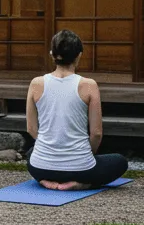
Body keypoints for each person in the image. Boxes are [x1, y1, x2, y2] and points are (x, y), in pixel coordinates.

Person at [26, 30, 127, 190]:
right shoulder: (89, 85)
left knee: (32, 153)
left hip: (40, 168)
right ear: (79, 55)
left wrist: (51, 145)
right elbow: (96, 133)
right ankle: (79, 184)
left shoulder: (36, 83)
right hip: (80, 169)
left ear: (52, 54)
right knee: (120, 162)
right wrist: (87, 155)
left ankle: (45, 181)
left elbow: (31, 129)